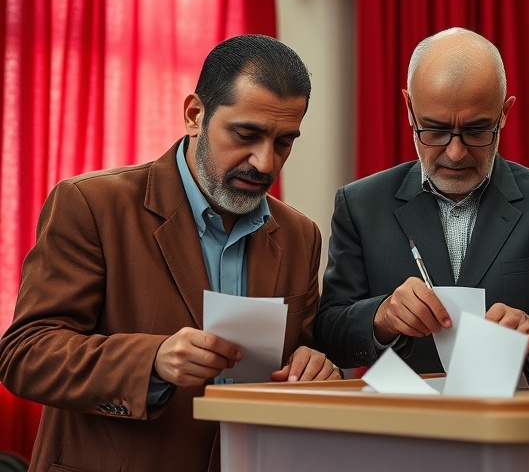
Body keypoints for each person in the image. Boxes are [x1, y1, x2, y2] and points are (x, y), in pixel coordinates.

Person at [0, 34, 339, 472]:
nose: (266, 162)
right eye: (247, 134)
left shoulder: (300, 236)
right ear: (195, 115)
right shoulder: (90, 205)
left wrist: (314, 367)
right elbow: (25, 354)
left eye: (283, 142)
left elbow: (301, 355)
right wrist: (153, 360)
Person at [314, 28, 529, 384]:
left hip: (518, 429)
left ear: (504, 113)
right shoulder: (360, 206)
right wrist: (380, 317)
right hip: (402, 429)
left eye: (477, 131)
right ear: (409, 110)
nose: (456, 152)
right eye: (434, 130)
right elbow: (329, 333)